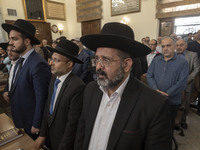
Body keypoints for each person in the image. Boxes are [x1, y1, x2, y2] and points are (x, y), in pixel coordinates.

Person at [74, 22, 172, 150]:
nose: (98, 66)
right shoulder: (90, 90)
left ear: (126, 65)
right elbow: (82, 134)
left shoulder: (155, 105)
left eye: (106, 60)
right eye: (97, 59)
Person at [1, 19, 51, 139]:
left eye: (15, 39)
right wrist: (8, 91)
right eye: (10, 38)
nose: (10, 42)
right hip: (20, 117)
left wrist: (37, 123)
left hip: (32, 122)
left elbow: (42, 97)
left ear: (27, 41)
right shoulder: (20, 61)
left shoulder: (38, 63)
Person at [34, 39, 85, 150]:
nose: (50, 63)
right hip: (51, 136)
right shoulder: (54, 79)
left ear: (69, 64)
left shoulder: (77, 86)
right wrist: (42, 134)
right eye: (52, 59)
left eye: (56, 60)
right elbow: (48, 106)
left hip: (64, 141)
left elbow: (72, 124)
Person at [147, 37, 189, 132]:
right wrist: (155, 90)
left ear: (174, 46)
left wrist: (167, 93)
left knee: (168, 127)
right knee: (155, 125)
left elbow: (182, 82)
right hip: (155, 99)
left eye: (168, 45)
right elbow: (149, 75)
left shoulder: (182, 62)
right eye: (163, 46)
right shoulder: (156, 60)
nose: (165, 48)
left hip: (171, 101)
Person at [176, 39, 200, 129]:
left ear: (186, 46)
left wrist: (187, 79)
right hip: (174, 84)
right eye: (177, 45)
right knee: (175, 103)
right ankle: (175, 120)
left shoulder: (193, 55)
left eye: (181, 45)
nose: (179, 47)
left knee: (185, 104)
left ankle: (183, 120)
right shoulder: (172, 55)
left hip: (187, 83)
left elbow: (197, 69)